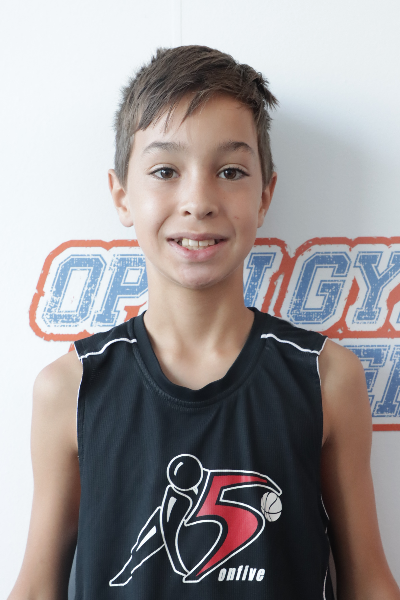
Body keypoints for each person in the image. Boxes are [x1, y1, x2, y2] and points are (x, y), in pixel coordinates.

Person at [8, 45, 400, 600]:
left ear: (264, 195)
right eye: (165, 171)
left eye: (230, 171)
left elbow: (369, 582)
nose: (198, 201)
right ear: (122, 196)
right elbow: (36, 587)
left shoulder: (325, 377)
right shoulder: (70, 388)